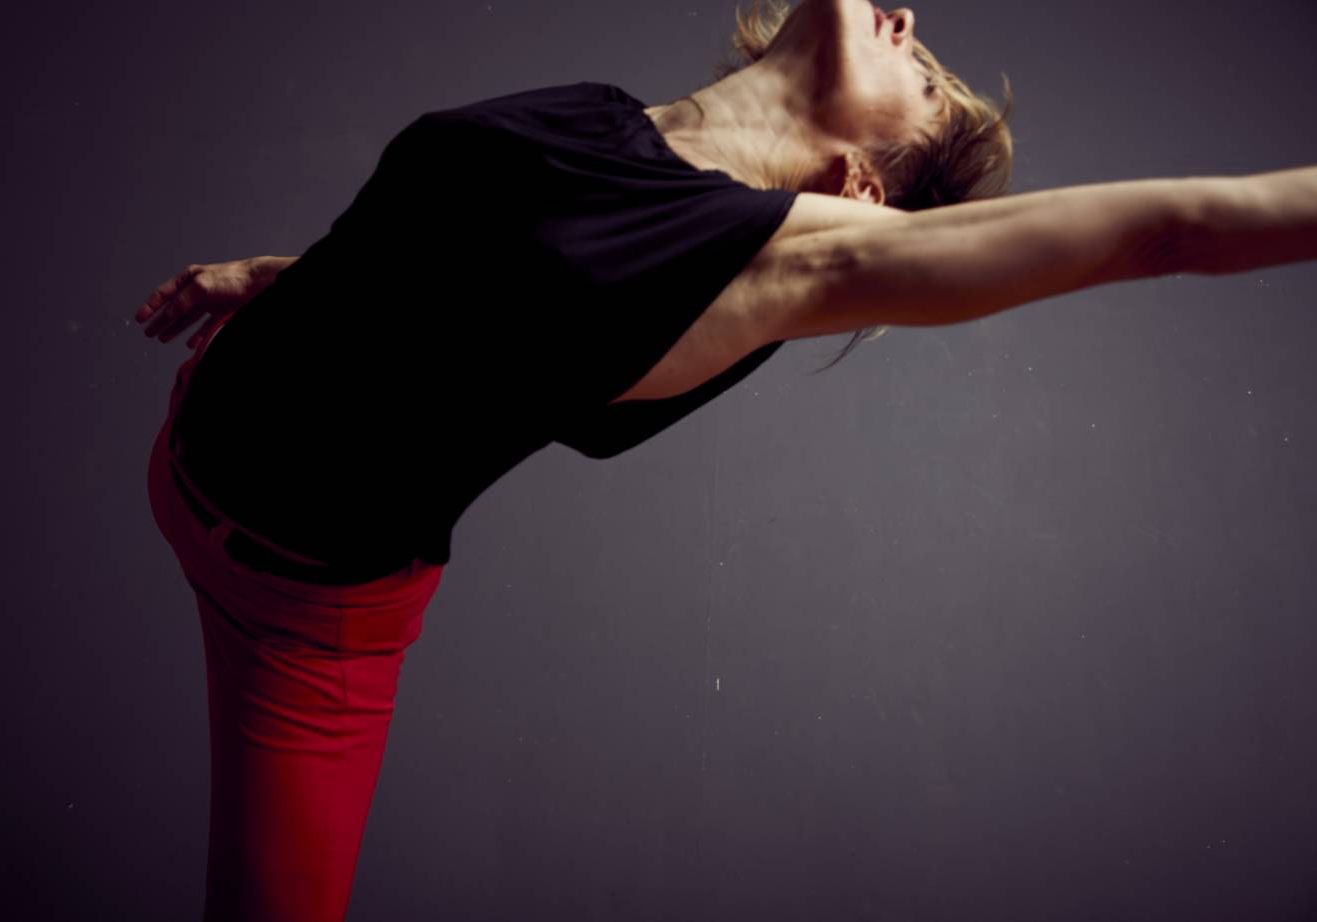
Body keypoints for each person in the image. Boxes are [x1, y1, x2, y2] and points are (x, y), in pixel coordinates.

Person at [134, 1, 1317, 919]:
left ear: (859, 191)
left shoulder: (772, 265)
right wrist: (274, 281)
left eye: (921, 78)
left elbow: (1170, 230)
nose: (905, 20)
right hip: (198, 423)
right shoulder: (605, 115)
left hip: (292, 621)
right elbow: (454, 260)